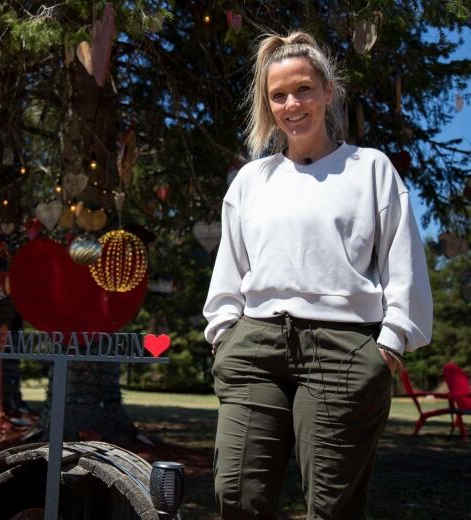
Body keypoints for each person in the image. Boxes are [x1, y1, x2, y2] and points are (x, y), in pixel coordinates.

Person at [203, 31, 432, 519]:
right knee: (237, 495)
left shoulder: (370, 169)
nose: (292, 103)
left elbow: (403, 262)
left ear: (328, 91)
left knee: (330, 508)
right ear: (268, 104)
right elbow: (230, 266)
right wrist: (224, 332)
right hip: (255, 347)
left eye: (303, 88)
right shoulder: (251, 180)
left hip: (343, 351)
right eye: (278, 94)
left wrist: (388, 346)